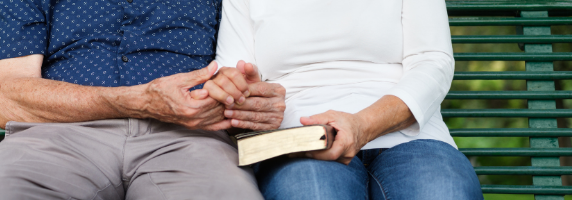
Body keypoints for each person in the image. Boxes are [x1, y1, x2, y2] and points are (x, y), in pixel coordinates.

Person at [0, 0, 286, 199]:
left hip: (188, 139)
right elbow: (9, 97)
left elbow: (244, 66)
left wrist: (244, 95)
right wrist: (136, 99)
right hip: (56, 136)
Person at [207, 0, 484, 199]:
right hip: (305, 141)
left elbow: (433, 62)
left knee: (443, 192)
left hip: (412, 137)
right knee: (310, 193)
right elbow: (233, 74)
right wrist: (242, 96)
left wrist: (362, 125)